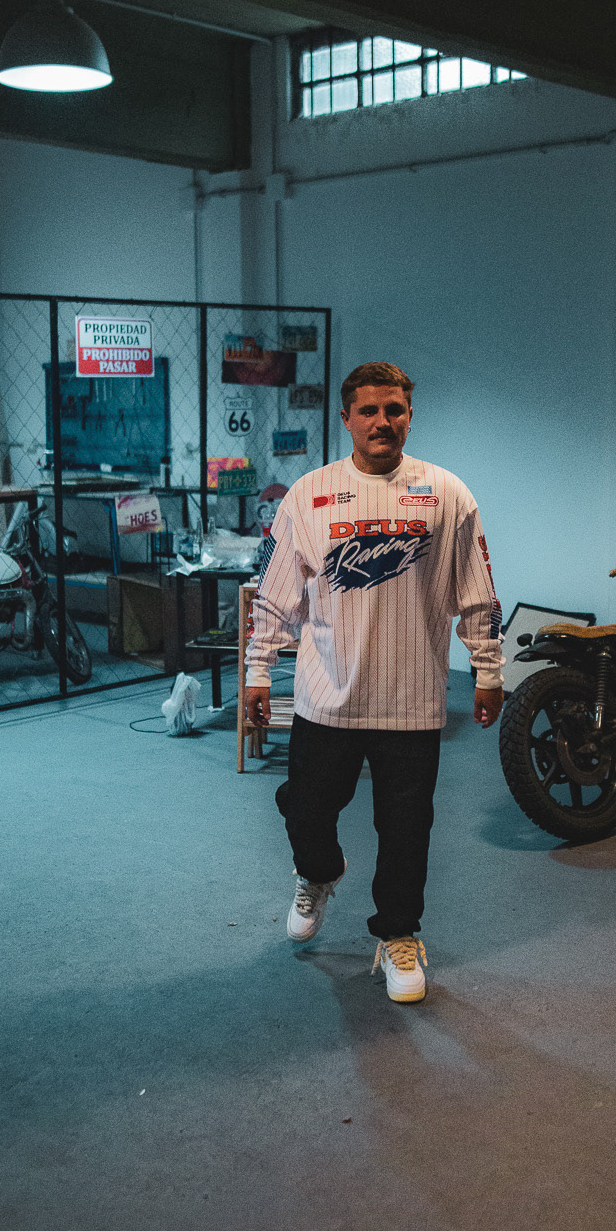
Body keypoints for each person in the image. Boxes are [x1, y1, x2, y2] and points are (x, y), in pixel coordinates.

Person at [244, 360, 503, 1000]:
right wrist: (258, 669)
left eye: (394, 410)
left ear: (410, 416)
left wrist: (488, 668)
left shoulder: (447, 494)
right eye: (369, 411)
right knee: (307, 809)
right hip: (326, 697)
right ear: (346, 419)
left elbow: (476, 592)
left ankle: (398, 934)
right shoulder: (309, 495)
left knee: (406, 831)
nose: (382, 421)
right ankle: (319, 871)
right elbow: (276, 595)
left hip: (411, 701)